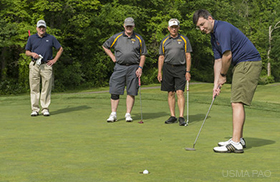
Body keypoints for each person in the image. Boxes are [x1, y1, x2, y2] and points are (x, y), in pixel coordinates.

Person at [193, 10, 262, 153]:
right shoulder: (213, 36)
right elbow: (217, 61)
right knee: (237, 101)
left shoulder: (222, 29)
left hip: (248, 62)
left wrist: (223, 75)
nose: (201, 29)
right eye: (198, 27)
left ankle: (236, 142)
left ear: (210, 19)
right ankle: (239, 139)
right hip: (242, 64)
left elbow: (227, 56)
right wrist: (215, 84)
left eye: (202, 24)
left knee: (236, 102)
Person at [102, 17, 147, 122]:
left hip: (134, 67)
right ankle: (113, 114)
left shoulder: (139, 38)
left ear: (134, 26)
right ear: (124, 26)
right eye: (127, 25)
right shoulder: (117, 37)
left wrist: (140, 67)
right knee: (115, 90)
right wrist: (113, 57)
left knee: (131, 91)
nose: (129, 27)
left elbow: (143, 54)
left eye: (131, 25)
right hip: (119, 67)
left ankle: (128, 114)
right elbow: (105, 46)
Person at [157, 18, 192, 126]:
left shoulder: (184, 40)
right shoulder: (164, 41)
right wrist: (159, 72)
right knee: (170, 92)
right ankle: (173, 116)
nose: (174, 29)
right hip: (168, 68)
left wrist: (188, 71)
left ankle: (181, 117)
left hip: (180, 68)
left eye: (175, 27)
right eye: (172, 27)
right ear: (168, 28)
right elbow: (161, 57)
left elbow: (188, 56)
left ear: (178, 28)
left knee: (179, 92)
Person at [25, 20, 63, 116]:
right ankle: (35, 109)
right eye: (40, 27)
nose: (42, 29)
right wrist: (32, 53)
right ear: (37, 28)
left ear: (45, 28)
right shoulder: (32, 38)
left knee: (46, 87)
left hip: (46, 65)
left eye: (43, 27)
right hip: (34, 65)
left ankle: (45, 108)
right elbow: (27, 52)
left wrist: (54, 60)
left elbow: (60, 49)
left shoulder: (51, 38)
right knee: (34, 87)